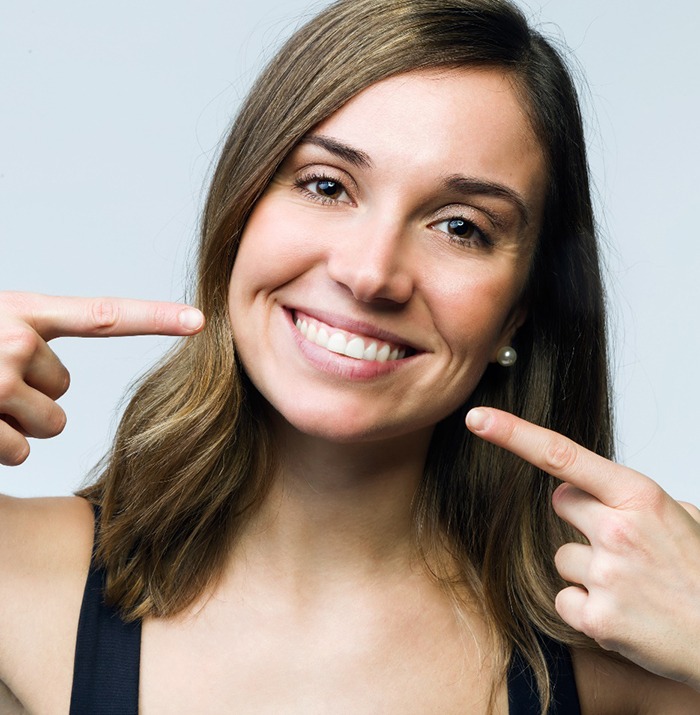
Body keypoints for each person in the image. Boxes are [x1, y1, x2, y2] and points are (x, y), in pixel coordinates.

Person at [1, 0, 699, 712]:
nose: (370, 273)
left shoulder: (625, 654)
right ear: (239, 211)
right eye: (327, 185)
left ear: (517, 311)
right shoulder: (15, 589)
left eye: (460, 227)